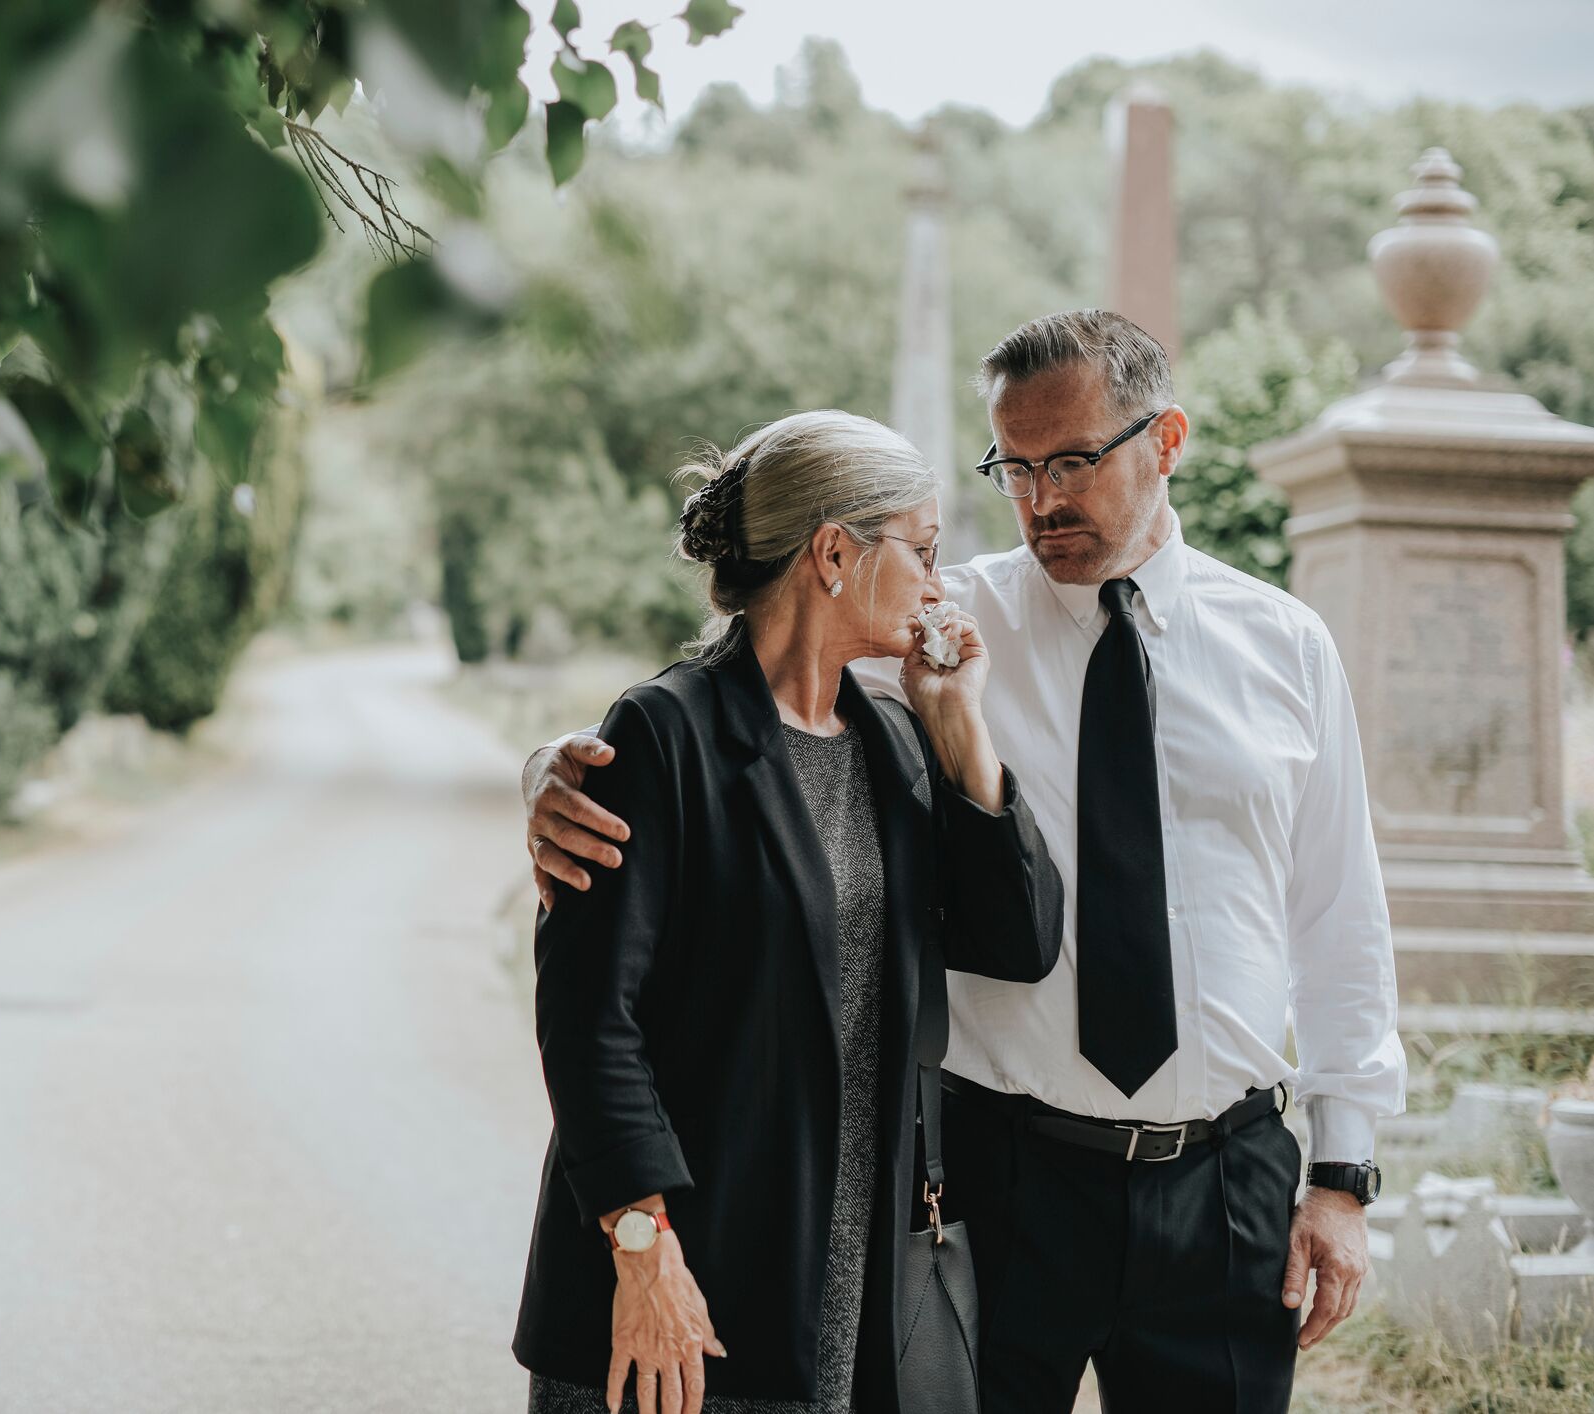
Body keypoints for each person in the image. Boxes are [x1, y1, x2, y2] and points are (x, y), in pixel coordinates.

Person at [524, 312, 1406, 1414]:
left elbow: (1337, 920)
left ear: (1166, 439)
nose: (1040, 501)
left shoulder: (1280, 647)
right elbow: (725, 695)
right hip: (1000, 1178)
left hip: (1223, 1185)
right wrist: (554, 768)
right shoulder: (935, 628)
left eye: (1073, 461)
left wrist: (1342, 1172)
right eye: (1018, 468)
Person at [513, 410, 1063, 1414]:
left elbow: (1017, 942)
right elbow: (593, 1024)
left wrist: (961, 730)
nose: (940, 582)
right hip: (672, 1283)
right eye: (924, 548)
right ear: (834, 552)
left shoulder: (893, 743)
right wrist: (644, 1252)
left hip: (838, 1291)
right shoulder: (664, 733)